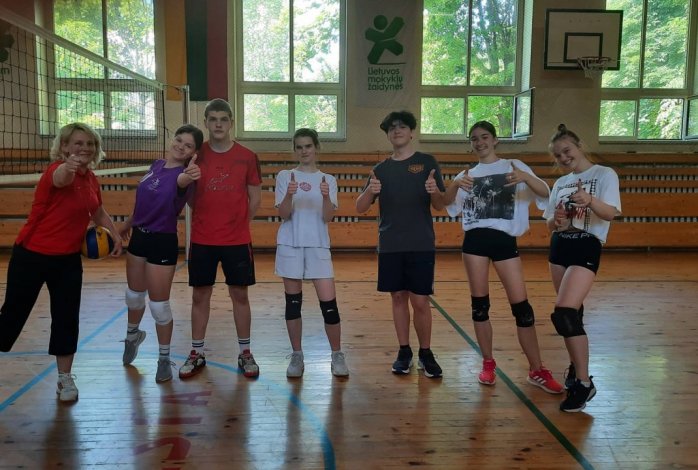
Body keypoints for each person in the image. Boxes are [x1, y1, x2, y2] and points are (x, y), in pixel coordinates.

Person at [0, 122, 123, 402]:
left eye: (90, 144)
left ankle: (65, 379)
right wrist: (69, 166)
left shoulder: (90, 179)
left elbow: (98, 211)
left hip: (67, 260)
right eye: (78, 143)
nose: (85, 148)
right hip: (31, 255)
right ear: (65, 146)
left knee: (66, 318)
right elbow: (61, 179)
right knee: (12, 317)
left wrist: (116, 235)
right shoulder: (56, 171)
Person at [443, 120, 563, 394]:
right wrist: (455, 185)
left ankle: (536, 369)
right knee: (480, 307)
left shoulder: (514, 165)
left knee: (522, 309)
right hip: (474, 242)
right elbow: (447, 205)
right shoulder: (467, 174)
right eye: (474, 138)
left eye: (484, 137)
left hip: (505, 242)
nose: (480, 142)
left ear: (495, 140)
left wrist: (526, 178)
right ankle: (488, 363)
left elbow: (546, 193)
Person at [355, 110, 445, 378]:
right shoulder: (381, 169)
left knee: (420, 301)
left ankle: (425, 353)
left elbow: (440, 205)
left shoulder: (427, 162)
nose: (397, 130)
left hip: (421, 242)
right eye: (392, 128)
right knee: (397, 298)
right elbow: (360, 207)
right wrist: (370, 190)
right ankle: (404, 351)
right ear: (388, 135)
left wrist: (435, 192)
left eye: (402, 126)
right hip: (391, 244)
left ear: (412, 132)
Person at [179, 98, 262, 379]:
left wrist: (239, 224)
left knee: (240, 295)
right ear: (205, 123)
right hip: (203, 239)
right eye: (213, 119)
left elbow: (255, 198)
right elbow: (188, 194)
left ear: (231, 123)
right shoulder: (195, 154)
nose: (218, 124)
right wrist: (206, 217)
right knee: (200, 295)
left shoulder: (247, 156)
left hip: (236, 240)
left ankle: (245, 352)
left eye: (223, 119)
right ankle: (197, 352)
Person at [544, 124, 621, 412]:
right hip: (560, 247)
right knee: (573, 313)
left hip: (586, 245)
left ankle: (584, 383)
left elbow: (610, 213)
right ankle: (576, 367)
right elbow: (550, 224)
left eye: (567, 151)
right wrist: (558, 220)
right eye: (558, 155)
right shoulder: (561, 183)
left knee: (564, 314)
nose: (564, 158)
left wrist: (590, 200)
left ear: (579, 146)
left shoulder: (604, 174)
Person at [119, 124, 203, 383]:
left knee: (159, 306)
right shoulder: (156, 165)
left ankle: (164, 359)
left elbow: (182, 183)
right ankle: (132, 336)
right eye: (179, 140)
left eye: (188, 145)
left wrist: (191, 174)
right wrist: (126, 224)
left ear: (193, 153)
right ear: (172, 139)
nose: (180, 146)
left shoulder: (183, 176)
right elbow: (143, 203)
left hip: (162, 241)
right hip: (139, 236)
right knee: (134, 296)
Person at [274, 128, 349, 378]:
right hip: (290, 244)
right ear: (294, 150)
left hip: (318, 245)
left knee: (329, 305)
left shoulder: (328, 179)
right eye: (299, 147)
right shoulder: (285, 176)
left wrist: (326, 198)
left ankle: (336, 354)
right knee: (293, 304)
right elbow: (283, 214)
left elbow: (328, 217)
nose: (304, 151)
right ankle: (297, 355)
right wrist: (289, 194)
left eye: (308, 146)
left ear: (316, 147)